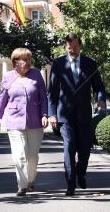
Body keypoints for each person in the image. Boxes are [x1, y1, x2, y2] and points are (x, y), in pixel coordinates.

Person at [48, 33, 106, 196]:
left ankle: (81, 172)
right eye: (69, 47)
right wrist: (52, 114)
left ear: (80, 46)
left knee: (85, 150)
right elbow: (52, 91)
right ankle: (71, 183)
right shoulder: (58, 63)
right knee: (69, 146)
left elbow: (99, 86)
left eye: (75, 47)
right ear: (65, 47)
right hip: (65, 115)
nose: (72, 50)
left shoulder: (90, 63)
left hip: (84, 114)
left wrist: (101, 99)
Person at [0, 47, 48, 196]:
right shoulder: (8, 77)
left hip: (35, 122)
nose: (27, 62)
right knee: (19, 155)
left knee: (32, 156)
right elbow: (2, 98)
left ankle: (31, 180)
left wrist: (44, 114)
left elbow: (44, 97)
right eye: (24, 59)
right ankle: (22, 185)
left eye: (29, 59)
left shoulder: (36, 74)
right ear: (15, 62)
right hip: (14, 121)